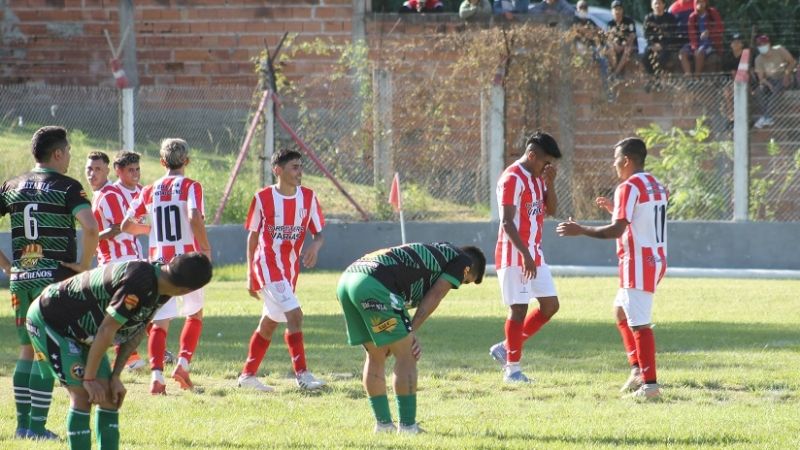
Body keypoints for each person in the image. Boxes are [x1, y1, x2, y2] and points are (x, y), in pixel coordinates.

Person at [26, 253, 212, 450]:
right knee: (82, 395)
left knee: (109, 398)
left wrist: (115, 376)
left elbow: (137, 329)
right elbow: (108, 329)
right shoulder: (139, 283)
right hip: (51, 322)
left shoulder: (163, 283)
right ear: (187, 290)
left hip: (84, 333)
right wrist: (89, 379)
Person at [0, 126, 99, 439]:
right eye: (68, 151)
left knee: (26, 352)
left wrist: (8, 267)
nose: (70, 156)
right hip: (52, 283)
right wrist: (83, 265)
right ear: (57, 154)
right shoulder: (67, 187)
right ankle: (39, 427)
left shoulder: (11, 185)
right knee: (45, 352)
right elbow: (91, 227)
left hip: (21, 280)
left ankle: (22, 426)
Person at [556, 137, 668, 400]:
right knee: (620, 312)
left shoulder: (627, 187)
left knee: (639, 324)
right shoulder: (656, 184)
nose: (614, 164)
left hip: (638, 262)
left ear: (627, 160)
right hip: (656, 258)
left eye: (616, 159)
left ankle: (650, 386)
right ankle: (638, 371)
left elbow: (618, 229)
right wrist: (615, 209)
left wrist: (580, 229)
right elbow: (642, 219)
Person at [336, 242, 486, 433]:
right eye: (465, 281)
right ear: (468, 270)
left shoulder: (438, 253)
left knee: (376, 356)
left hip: (349, 279)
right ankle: (407, 427)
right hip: (375, 282)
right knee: (407, 356)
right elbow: (436, 294)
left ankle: (383, 426)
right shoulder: (462, 260)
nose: (458, 284)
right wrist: (411, 330)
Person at [121, 138, 212, 395]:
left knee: (160, 322)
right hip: (187, 262)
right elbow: (194, 217)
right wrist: (205, 249)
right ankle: (182, 364)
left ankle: (157, 378)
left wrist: (149, 229)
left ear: (162, 162)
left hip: (159, 263)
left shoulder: (148, 190)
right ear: (187, 161)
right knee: (194, 314)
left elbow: (127, 225)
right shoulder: (191, 186)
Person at [237, 149, 327, 392]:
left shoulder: (308, 197)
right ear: (278, 170)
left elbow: (319, 234)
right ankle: (303, 376)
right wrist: (249, 275)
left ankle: (247, 376)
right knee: (295, 316)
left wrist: (315, 248)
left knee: (269, 323)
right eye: (294, 167)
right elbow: (252, 236)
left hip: (288, 270)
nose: (300, 172)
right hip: (266, 265)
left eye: (300, 166)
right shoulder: (263, 197)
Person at [488, 131, 562, 383]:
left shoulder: (537, 178)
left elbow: (551, 210)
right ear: (532, 155)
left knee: (550, 305)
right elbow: (507, 223)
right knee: (518, 309)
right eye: (546, 162)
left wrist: (550, 183)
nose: (548, 167)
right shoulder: (512, 178)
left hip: (534, 254)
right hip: (514, 254)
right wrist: (525, 255)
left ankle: (505, 347)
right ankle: (512, 370)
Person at [92, 150, 146, 371]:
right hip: (114, 259)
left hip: (135, 257)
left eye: (137, 170)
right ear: (118, 171)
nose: (135, 174)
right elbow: (117, 229)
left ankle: (144, 352)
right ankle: (129, 357)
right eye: (130, 170)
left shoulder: (142, 191)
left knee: (141, 306)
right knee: (120, 310)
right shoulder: (111, 194)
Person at [753, 34, 797, 129]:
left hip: (785, 76)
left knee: (776, 90)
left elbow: (792, 62)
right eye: (759, 44)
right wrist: (768, 85)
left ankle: (766, 117)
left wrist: (786, 75)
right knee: (758, 92)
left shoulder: (780, 50)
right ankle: (767, 117)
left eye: (763, 44)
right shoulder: (758, 59)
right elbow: (761, 78)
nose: (761, 46)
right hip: (770, 80)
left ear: (769, 43)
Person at [680, 0, 724, 75]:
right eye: (698, 2)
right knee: (682, 52)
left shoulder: (712, 12)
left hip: (710, 42)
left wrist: (709, 31)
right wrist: (694, 47)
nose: (700, 4)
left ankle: (697, 77)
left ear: (706, 3)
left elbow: (720, 27)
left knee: (699, 53)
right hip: (696, 42)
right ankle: (689, 76)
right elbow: (691, 34)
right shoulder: (692, 17)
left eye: (702, 2)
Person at [643, 0, 679, 77]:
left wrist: (662, 45)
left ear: (663, 5)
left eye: (659, 3)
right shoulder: (648, 18)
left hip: (667, 45)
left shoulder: (670, 17)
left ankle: (659, 78)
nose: (657, 6)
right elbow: (646, 35)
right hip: (653, 45)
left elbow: (673, 34)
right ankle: (653, 79)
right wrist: (652, 44)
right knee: (645, 57)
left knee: (662, 59)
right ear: (652, 6)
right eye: (655, 3)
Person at [606, 0, 639, 78]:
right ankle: (613, 72)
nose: (617, 11)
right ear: (612, 11)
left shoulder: (629, 21)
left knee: (627, 50)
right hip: (616, 46)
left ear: (622, 10)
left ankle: (616, 73)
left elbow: (632, 36)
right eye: (615, 9)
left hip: (630, 46)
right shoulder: (610, 24)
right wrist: (615, 45)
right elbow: (609, 38)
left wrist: (623, 46)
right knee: (609, 49)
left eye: (619, 9)